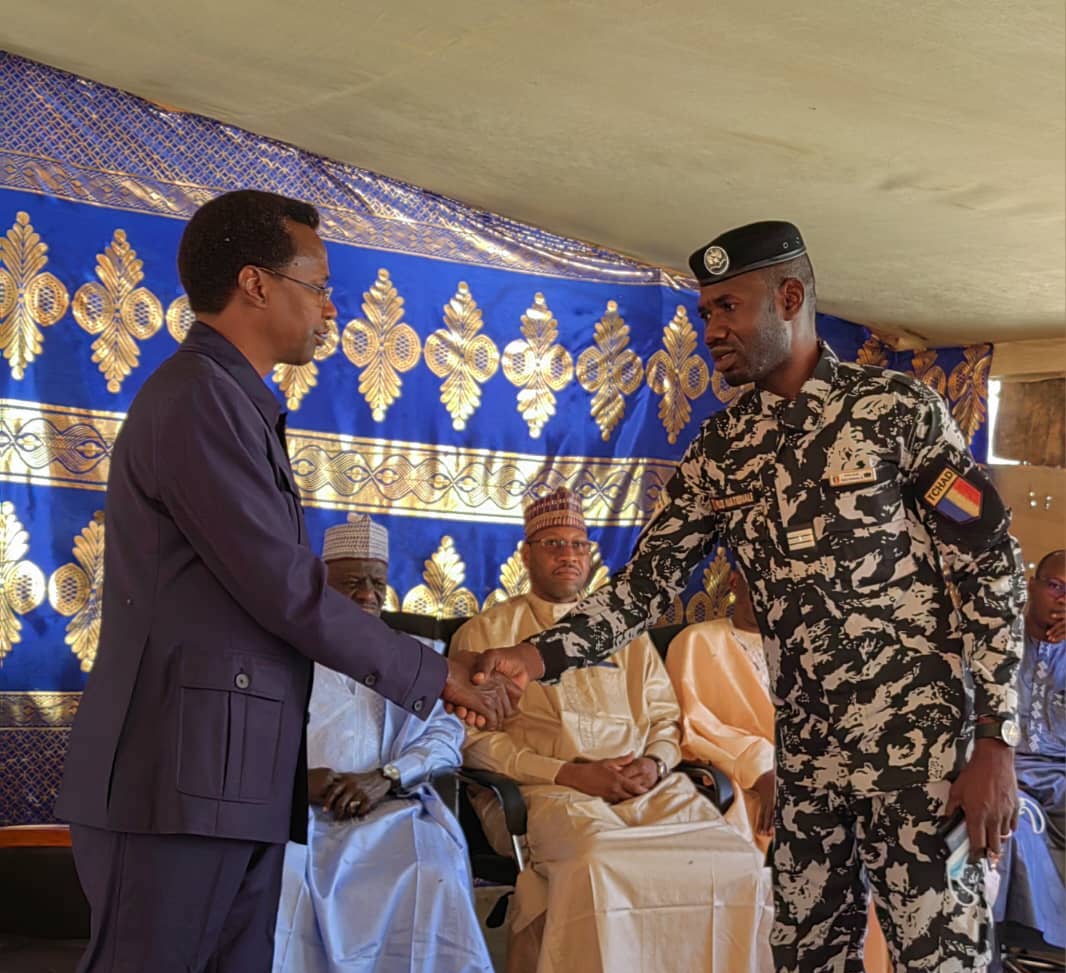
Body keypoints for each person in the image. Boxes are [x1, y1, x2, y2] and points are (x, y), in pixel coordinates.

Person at [470, 221, 1026, 972]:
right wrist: (533, 657)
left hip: (923, 761)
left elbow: (989, 562)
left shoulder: (898, 412)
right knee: (803, 955)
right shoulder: (723, 451)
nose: (711, 331)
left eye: (728, 307)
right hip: (809, 766)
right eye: (705, 313)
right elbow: (643, 586)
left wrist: (995, 740)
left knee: (943, 958)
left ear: (789, 298)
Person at [54, 189, 512, 973]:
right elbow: (287, 590)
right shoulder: (198, 399)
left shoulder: (233, 402)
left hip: (229, 783)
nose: (331, 308)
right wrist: (438, 676)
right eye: (319, 284)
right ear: (255, 283)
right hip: (175, 781)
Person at [452, 488, 772, 973]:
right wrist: (567, 774)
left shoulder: (624, 633)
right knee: (598, 864)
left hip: (647, 788)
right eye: (553, 544)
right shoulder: (487, 632)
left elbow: (665, 718)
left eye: (578, 545)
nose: (568, 555)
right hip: (549, 792)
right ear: (526, 555)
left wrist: (655, 763)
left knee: (735, 862)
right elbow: (473, 741)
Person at [273, 513, 493, 973]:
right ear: (320, 585)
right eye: (352, 583)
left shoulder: (415, 656)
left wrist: (387, 777)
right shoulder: (282, 656)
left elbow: (446, 735)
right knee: (282, 880)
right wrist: (294, 783)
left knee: (431, 871)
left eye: (377, 582)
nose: (367, 595)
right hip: (296, 813)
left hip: (390, 808)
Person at [665, 557, 890, 972]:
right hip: (746, 786)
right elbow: (695, 727)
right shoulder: (698, 642)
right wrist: (764, 768)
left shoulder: (810, 652)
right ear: (735, 582)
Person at [992, 548, 1065, 961]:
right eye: (1055, 586)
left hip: (1061, 778)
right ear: (1033, 587)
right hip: (1008, 773)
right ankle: (1000, 948)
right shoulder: (1001, 641)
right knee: (1010, 822)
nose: (1062, 599)